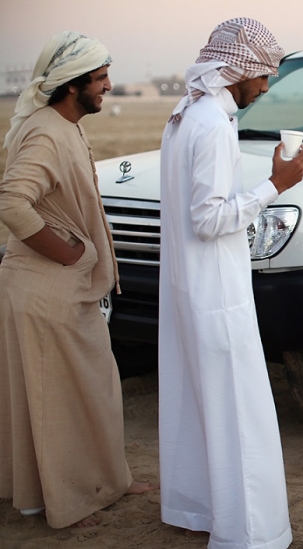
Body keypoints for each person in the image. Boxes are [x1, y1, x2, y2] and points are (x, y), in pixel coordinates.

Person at [157, 18, 303, 548]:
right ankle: (249, 534)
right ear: (239, 69)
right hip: (216, 295)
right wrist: (276, 184)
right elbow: (209, 218)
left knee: (201, 407)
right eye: (263, 75)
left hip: (190, 291)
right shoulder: (213, 124)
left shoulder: (183, 116)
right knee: (240, 416)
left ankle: (197, 509)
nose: (265, 87)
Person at [0, 31, 154, 529]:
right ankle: (65, 503)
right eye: (101, 77)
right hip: (45, 290)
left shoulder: (65, 122)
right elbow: (10, 201)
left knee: (96, 390)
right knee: (57, 405)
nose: (109, 85)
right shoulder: (47, 131)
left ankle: (108, 478)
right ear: (72, 85)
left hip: (68, 292)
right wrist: (67, 254)